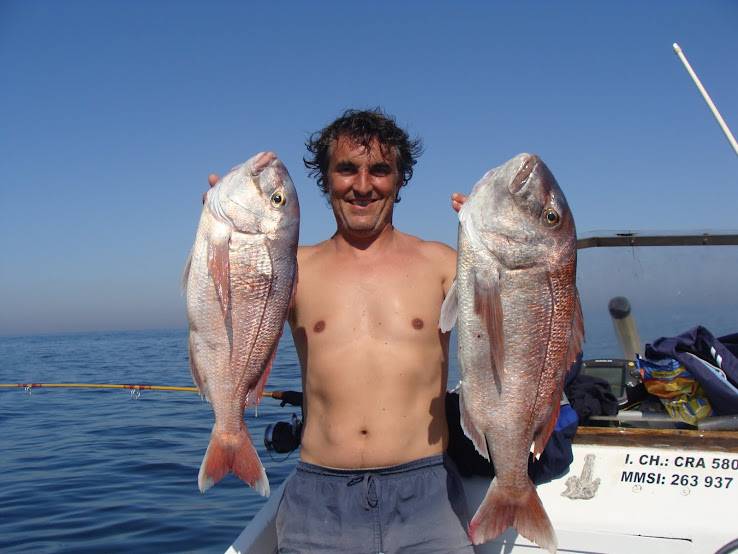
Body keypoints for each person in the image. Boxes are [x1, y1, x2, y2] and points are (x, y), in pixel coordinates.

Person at [208, 108, 473, 553]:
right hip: (319, 503)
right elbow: (228, 325)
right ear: (326, 178)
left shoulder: (445, 264)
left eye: (380, 171)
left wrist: (502, 244)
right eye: (347, 169)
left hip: (427, 498)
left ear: (400, 179)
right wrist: (224, 241)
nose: (363, 185)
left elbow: (528, 324)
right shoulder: (291, 270)